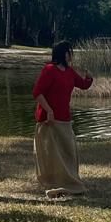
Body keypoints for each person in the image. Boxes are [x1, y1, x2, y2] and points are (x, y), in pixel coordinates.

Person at [32, 40, 94, 199]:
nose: (71, 55)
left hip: (65, 118)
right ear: (62, 53)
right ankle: (53, 180)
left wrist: (89, 78)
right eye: (69, 52)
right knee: (53, 153)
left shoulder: (69, 72)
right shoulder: (49, 70)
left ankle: (69, 180)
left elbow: (83, 85)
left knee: (69, 151)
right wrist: (49, 110)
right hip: (49, 120)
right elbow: (37, 93)